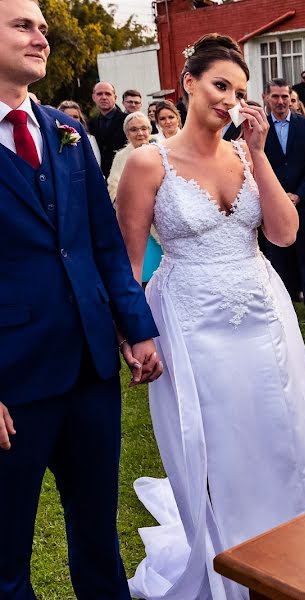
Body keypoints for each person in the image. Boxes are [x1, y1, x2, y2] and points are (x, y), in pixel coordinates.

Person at [115, 34, 305, 600]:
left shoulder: (246, 155)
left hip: (262, 312)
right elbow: (129, 264)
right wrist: (133, 335)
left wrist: (260, 154)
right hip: (190, 319)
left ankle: (296, 547)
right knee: (215, 441)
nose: (230, 100)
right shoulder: (148, 162)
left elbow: (284, 234)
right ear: (188, 83)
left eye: (239, 91)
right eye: (220, 85)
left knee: (280, 428)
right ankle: (230, 557)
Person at [0, 0, 161, 595]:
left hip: (90, 372)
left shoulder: (65, 134)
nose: (41, 37)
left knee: (97, 535)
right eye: (23, 25)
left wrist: (135, 328)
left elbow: (102, 244)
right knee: (6, 556)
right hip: (11, 384)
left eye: (43, 26)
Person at [261, 78, 305, 324]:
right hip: (273, 206)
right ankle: (283, 309)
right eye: (275, 96)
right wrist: (277, 198)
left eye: (285, 96)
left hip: (303, 203)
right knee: (278, 259)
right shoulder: (260, 128)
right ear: (267, 98)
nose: (280, 101)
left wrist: (298, 194)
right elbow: (257, 166)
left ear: (291, 98)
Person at [107, 112, 162, 284]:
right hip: (138, 222)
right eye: (134, 129)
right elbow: (113, 188)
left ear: (150, 130)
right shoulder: (122, 157)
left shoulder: (162, 150)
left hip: (163, 216)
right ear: (127, 134)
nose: (140, 133)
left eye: (144, 128)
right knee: (145, 274)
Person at [88, 81, 127, 177]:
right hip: (100, 176)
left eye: (108, 94)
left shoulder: (127, 120)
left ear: (115, 97)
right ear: (94, 97)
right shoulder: (91, 123)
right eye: (99, 94)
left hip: (123, 173)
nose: (104, 97)